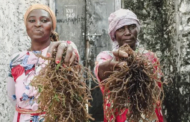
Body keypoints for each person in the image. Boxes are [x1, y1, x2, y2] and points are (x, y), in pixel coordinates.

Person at [6, 4, 79, 122]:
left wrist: (68, 47)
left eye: (44, 20)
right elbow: (12, 97)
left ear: (52, 27)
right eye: (31, 20)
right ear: (26, 26)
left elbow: (72, 53)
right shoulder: (16, 59)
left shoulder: (61, 50)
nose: (38, 24)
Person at [94, 9, 164, 122]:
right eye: (121, 28)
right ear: (114, 34)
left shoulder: (150, 57)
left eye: (131, 27)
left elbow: (157, 93)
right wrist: (115, 64)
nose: (127, 32)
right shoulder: (106, 57)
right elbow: (101, 71)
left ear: (137, 29)